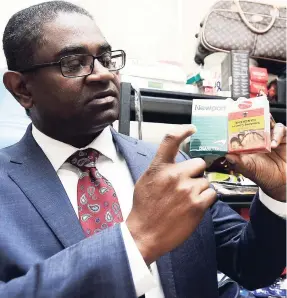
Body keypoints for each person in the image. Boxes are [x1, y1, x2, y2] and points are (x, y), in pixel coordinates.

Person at [0, 2, 286, 297]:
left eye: (106, 58)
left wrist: (277, 195)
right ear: (22, 88)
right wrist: (135, 242)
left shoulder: (174, 167)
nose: (102, 74)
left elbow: (252, 266)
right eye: (73, 63)